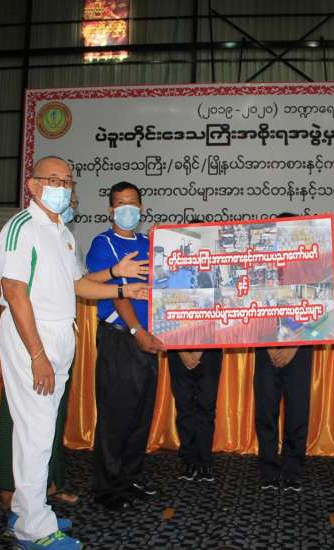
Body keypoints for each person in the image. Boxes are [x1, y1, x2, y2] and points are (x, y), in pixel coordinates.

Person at [0, 157, 148, 549]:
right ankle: (34, 529)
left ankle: (27, 510)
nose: (61, 188)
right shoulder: (21, 228)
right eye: (53, 180)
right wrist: (37, 355)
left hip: (61, 336)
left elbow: (78, 284)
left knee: (41, 429)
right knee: (36, 432)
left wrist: (122, 289)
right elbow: (13, 292)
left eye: (67, 181)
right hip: (33, 339)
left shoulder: (61, 232)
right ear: (33, 185)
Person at [85, 181, 165, 511]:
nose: (127, 209)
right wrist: (136, 330)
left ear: (141, 208)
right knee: (116, 415)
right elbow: (119, 295)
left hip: (147, 339)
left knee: (141, 414)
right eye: (120, 204)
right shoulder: (104, 244)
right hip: (121, 338)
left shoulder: (149, 244)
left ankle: (129, 478)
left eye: (132, 203)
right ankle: (107, 488)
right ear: (111, 210)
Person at [253, 212, 314, 493]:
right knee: (265, 411)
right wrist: (270, 344)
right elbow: (251, 307)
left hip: (299, 349)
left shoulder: (311, 267)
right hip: (266, 346)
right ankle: (268, 469)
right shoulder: (260, 266)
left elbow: (318, 309)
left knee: (297, 411)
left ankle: (292, 470)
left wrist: (292, 345)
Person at [167, 219, 223, 482]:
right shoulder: (174, 272)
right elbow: (165, 310)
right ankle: (188, 461)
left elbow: (224, 311)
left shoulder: (217, 273)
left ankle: (205, 461)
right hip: (178, 350)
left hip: (209, 351)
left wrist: (200, 349)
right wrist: (182, 350)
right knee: (185, 408)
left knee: (206, 408)